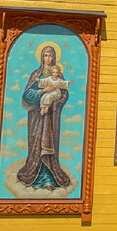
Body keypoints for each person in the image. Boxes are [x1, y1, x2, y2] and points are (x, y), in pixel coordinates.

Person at [17, 44, 74, 189]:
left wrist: (56, 101)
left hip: (52, 118)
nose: (48, 58)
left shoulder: (58, 75)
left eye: (50, 55)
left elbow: (64, 94)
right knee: (36, 144)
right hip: (37, 117)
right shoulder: (36, 75)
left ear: (54, 57)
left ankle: (49, 179)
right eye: (45, 55)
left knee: (50, 145)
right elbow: (27, 95)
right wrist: (42, 92)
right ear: (42, 57)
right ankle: (35, 179)